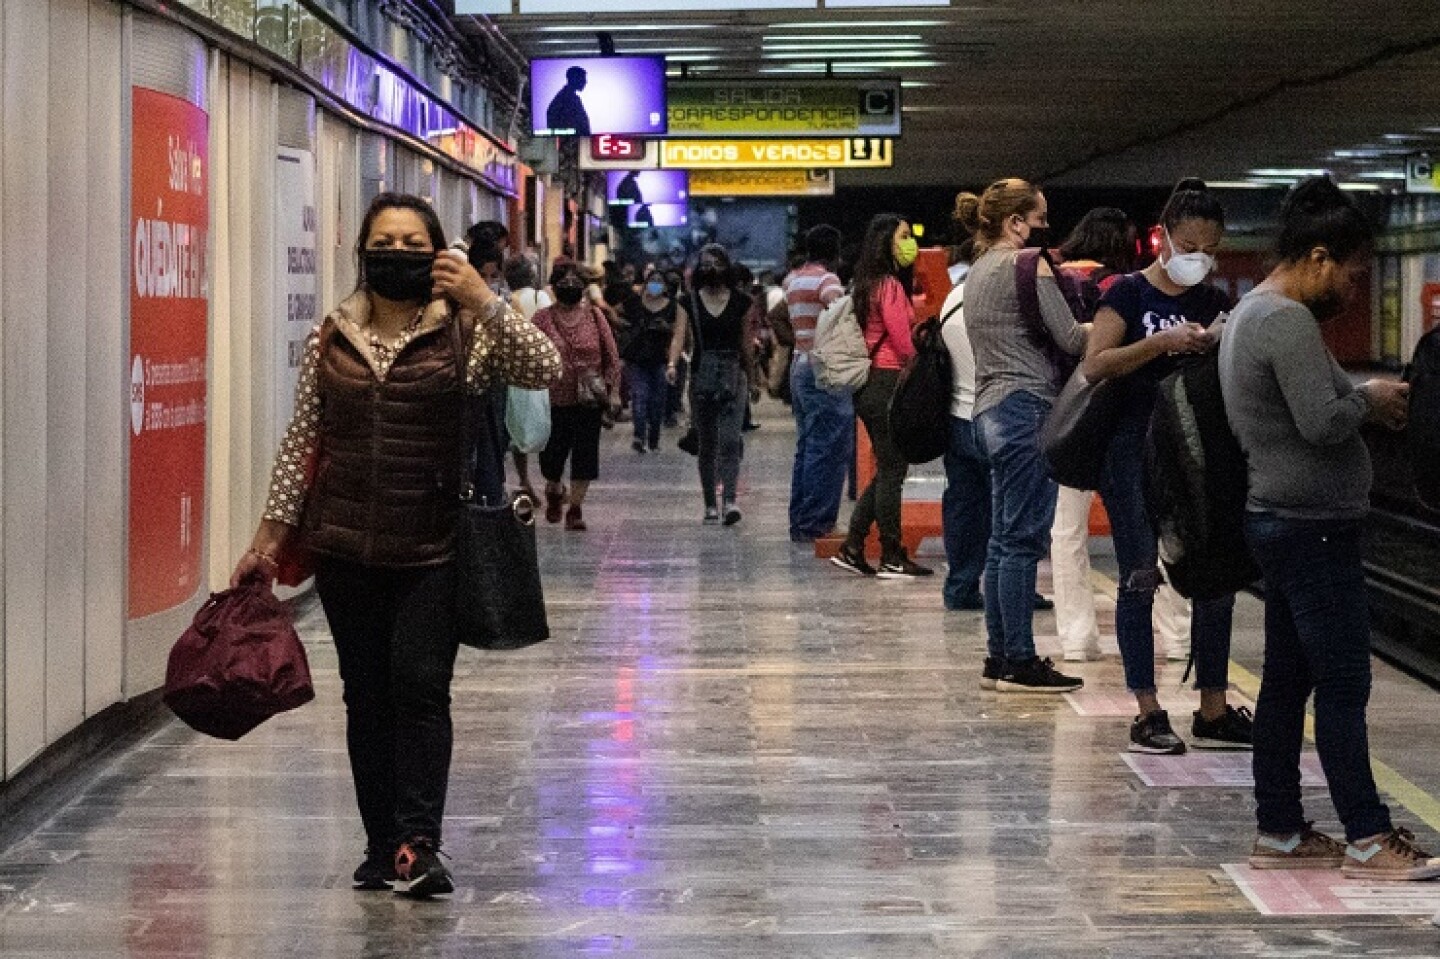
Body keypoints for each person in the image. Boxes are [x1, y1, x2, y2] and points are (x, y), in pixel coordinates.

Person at [231, 193, 561, 897]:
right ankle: (381, 842)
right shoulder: (335, 335)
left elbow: (546, 367)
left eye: (417, 242)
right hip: (345, 545)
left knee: (419, 688)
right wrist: (267, 539)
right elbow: (302, 443)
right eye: (387, 240)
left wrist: (485, 298)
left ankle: (418, 840)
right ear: (363, 251)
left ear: (441, 253)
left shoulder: (464, 335)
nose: (401, 251)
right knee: (366, 695)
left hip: (434, 543)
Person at [1221, 176, 1438, 879]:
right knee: (1344, 683)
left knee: (1287, 681)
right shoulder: (1284, 320)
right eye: (1351, 271)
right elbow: (1321, 420)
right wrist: (1369, 399)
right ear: (1318, 257)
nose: (1352, 284)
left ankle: (1280, 828)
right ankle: (1370, 838)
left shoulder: (1251, 312)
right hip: (1310, 527)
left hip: (1283, 519)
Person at [1083, 180, 1250, 754]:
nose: (1196, 256)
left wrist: (1216, 344)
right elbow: (1095, 365)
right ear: (1163, 238)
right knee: (1138, 576)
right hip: (1133, 447)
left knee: (1216, 577)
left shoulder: (1211, 300)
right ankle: (1147, 709)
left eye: (1208, 246)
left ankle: (1212, 706)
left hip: (1197, 453)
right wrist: (1162, 344)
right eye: (1186, 243)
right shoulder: (1126, 294)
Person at [956, 178, 1085, 693]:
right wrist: (1122, 324)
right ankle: (1020, 659)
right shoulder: (1028, 266)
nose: (1044, 231)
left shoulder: (976, 273)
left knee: (1001, 538)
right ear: (1016, 223)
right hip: (1027, 406)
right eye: (1039, 220)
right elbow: (1072, 337)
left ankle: (1000, 655)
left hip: (987, 412)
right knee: (1022, 541)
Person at [1047, 208, 1135, 659]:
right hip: (1120, 410)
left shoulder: (1050, 279)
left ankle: (1078, 640)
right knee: (1144, 525)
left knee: (1067, 530)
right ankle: (1176, 636)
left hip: (1066, 411)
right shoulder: (1123, 286)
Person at [829, 214, 931, 579]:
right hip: (886, 381)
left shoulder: (864, 283)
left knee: (890, 468)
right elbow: (903, 342)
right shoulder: (888, 285)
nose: (910, 243)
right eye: (904, 236)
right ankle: (890, 554)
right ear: (887, 241)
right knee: (893, 471)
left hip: (869, 384)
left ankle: (854, 547)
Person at [667, 244, 759, 525]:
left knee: (731, 440)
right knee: (706, 442)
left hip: (734, 374)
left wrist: (754, 380)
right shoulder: (688, 301)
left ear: (727, 266)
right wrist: (672, 364)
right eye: (705, 264)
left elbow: (746, 343)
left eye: (717, 263)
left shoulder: (742, 301)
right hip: (701, 374)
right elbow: (679, 336)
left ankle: (729, 500)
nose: (711, 269)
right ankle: (710, 502)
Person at [532, 260, 621, 531]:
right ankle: (554, 488)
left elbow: (611, 355)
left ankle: (575, 508)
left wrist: (612, 390)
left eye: (575, 282)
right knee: (551, 456)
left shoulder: (595, 316)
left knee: (584, 455)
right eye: (564, 282)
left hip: (588, 400)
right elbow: (531, 353)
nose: (570, 286)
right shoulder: (542, 318)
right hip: (552, 398)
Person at [785, 225, 851, 543]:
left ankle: (800, 519)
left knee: (808, 446)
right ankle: (818, 522)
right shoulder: (827, 280)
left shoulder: (794, 279)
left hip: (799, 364)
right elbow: (837, 308)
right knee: (829, 447)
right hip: (822, 368)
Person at [504, 254, 552, 500]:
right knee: (544, 422)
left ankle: (524, 479)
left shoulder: (506, 299)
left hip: (514, 368)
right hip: (538, 367)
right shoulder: (540, 297)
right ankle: (551, 480)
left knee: (517, 425)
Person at [622, 268, 686, 453]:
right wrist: (629, 328)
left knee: (657, 402)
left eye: (659, 281)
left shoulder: (673, 306)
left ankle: (654, 439)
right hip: (638, 358)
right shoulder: (634, 303)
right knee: (640, 397)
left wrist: (666, 329)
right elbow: (614, 313)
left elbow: (678, 334)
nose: (655, 284)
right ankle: (639, 436)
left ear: (665, 286)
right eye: (652, 280)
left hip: (661, 359)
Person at [545, 65, 591, 136]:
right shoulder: (564, 98)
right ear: (574, 79)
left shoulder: (568, 97)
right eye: (583, 78)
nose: (585, 82)